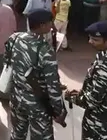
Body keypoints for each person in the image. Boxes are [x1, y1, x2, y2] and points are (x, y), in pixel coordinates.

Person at [4, 9, 66, 140]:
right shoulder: (45, 50)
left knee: (17, 134)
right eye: (50, 23)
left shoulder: (15, 38)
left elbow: (8, 61)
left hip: (16, 97)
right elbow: (52, 84)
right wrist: (58, 111)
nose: (52, 26)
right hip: (37, 103)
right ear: (42, 25)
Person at [66, 21, 107, 140]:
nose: (90, 42)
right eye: (90, 38)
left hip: (98, 123)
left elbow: (93, 101)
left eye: (95, 40)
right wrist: (81, 92)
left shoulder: (105, 65)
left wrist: (72, 98)